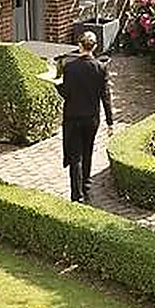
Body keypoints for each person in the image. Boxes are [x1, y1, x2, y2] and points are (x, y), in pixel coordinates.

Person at [54, 31, 114, 202]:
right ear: (94, 47)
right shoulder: (100, 68)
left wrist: (56, 85)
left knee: (75, 156)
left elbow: (66, 93)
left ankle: (76, 194)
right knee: (87, 151)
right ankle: (86, 185)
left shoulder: (70, 67)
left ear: (80, 46)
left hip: (73, 117)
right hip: (91, 118)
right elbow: (105, 96)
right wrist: (110, 122)